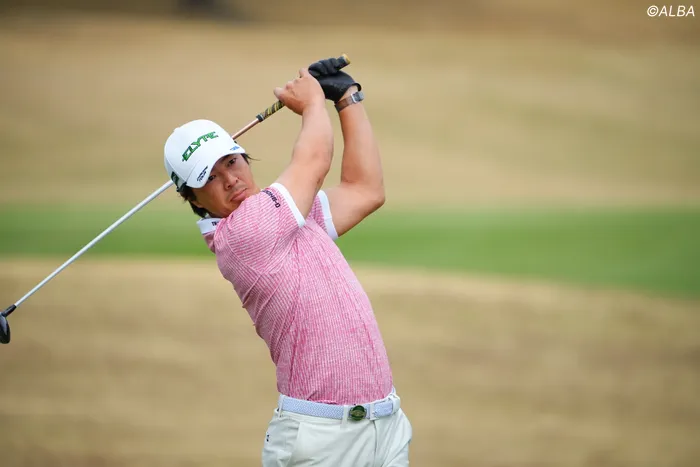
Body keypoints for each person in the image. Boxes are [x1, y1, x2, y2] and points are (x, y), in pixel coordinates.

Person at [163, 58, 412, 466]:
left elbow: (365, 189)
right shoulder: (242, 234)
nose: (230, 179)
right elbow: (314, 161)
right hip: (321, 438)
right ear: (191, 197)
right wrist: (312, 102)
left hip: (384, 426)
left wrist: (347, 99)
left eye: (232, 161)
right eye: (209, 177)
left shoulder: (287, 214)